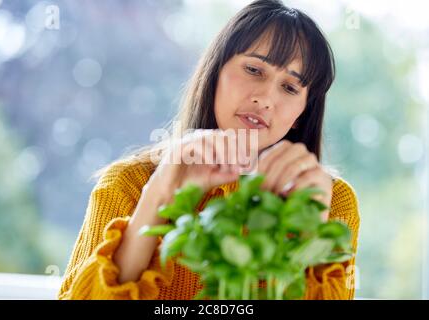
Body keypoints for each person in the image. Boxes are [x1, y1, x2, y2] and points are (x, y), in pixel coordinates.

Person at [58, 0, 360, 300]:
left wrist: (312, 229)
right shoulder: (127, 184)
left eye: (290, 88)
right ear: (215, 73)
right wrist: (158, 195)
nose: (266, 98)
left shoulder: (330, 202)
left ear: (301, 115)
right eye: (254, 69)